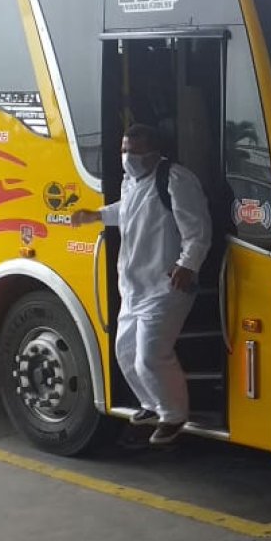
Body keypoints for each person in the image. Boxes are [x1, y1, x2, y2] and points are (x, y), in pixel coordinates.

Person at [71, 124, 212, 445]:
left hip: (167, 285)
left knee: (150, 356)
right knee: (125, 351)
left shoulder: (174, 179)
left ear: (154, 152)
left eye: (134, 151)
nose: (127, 157)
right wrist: (96, 216)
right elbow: (128, 212)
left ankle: (174, 415)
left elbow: (198, 227)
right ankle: (151, 404)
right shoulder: (132, 182)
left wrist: (187, 265)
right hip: (134, 286)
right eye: (124, 150)